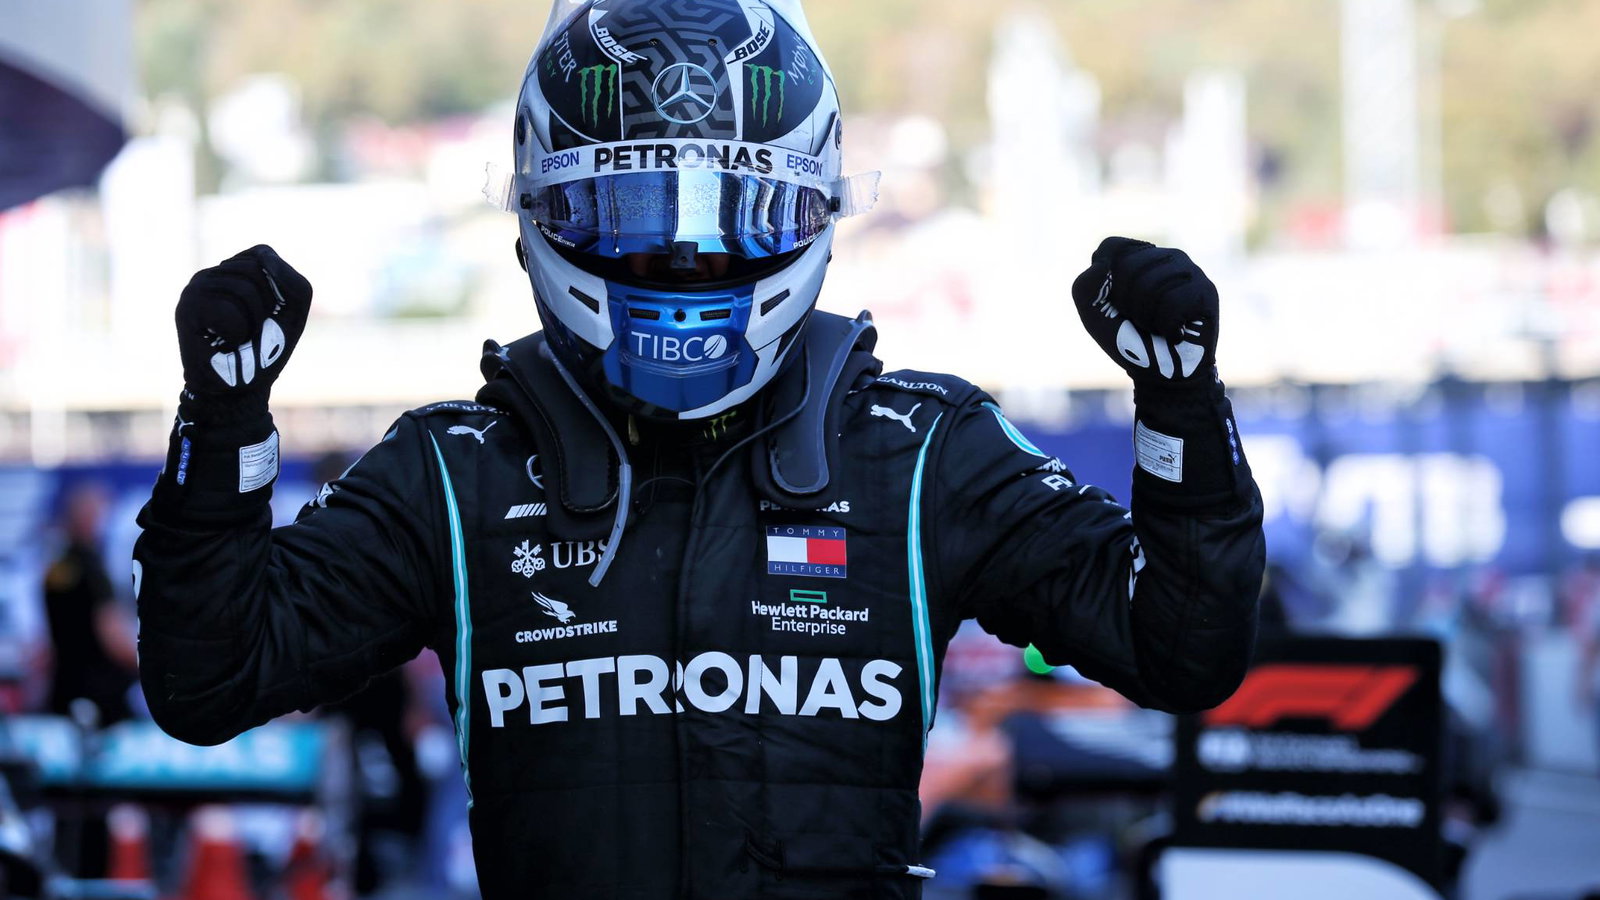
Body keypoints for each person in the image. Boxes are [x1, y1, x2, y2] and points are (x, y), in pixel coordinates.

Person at [132, 2, 1265, 897]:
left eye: (733, 211)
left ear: (812, 206)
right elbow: (211, 678)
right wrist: (224, 431)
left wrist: (1181, 415)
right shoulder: (457, 469)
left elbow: (1180, 649)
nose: (684, 254)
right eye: (632, 210)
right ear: (542, 209)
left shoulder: (918, 450)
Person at [43, 482, 137, 726]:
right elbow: (111, 635)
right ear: (89, 517)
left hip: (64, 687)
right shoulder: (91, 569)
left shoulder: (56, 567)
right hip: (102, 695)